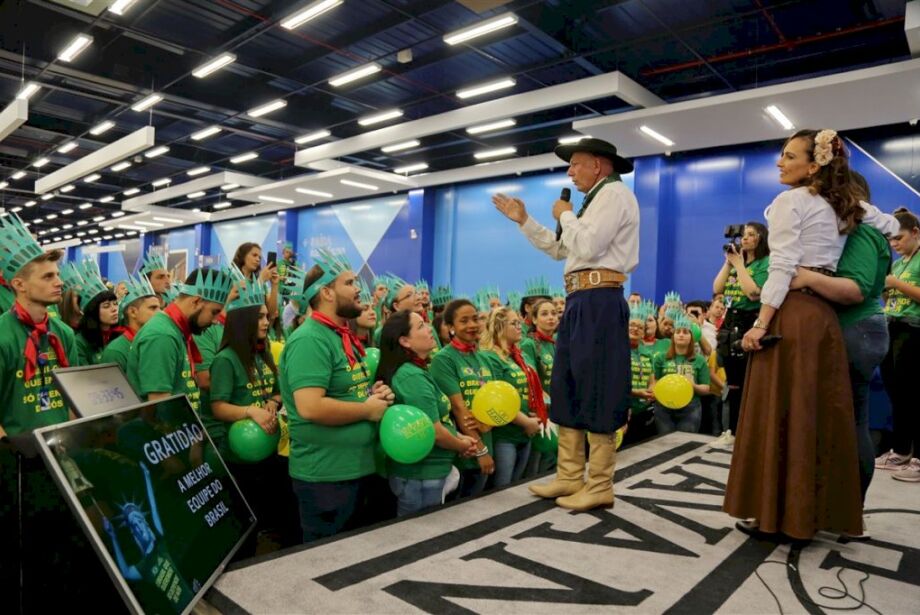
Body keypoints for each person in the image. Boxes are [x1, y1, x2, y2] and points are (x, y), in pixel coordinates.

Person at [724, 128, 899, 541]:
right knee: (816, 420)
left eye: (789, 155)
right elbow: (892, 224)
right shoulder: (843, 206)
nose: (780, 162)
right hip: (822, 319)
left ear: (813, 164)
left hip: (794, 314)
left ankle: (781, 518)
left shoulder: (791, 202)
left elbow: (783, 266)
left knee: (783, 417)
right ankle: (808, 517)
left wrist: (760, 323)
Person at [493, 137, 639, 512]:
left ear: (598, 165)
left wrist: (564, 215)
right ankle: (570, 475)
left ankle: (600, 483)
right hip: (578, 299)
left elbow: (587, 246)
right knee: (569, 384)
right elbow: (562, 249)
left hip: (600, 299)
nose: (570, 172)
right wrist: (525, 221)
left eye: (575, 164)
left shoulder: (614, 195)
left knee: (598, 386)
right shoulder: (592, 202)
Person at [278, 249, 394, 543]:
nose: (358, 289)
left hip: (355, 470)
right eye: (350, 283)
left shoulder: (340, 335)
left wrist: (374, 395)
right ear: (327, 292)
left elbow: (349, 392)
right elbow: (310, 407)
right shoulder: (310, 339)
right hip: (326, 478)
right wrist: (367, 410)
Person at [791, 211, 891, 508]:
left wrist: (806, 276)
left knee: (850, 423)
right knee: (850, 422)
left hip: (856, 329)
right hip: (857, 329)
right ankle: (844, 510)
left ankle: (846, 510)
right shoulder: (860, 234)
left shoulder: (860, 233)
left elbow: (856, 289)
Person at [209, 276, 299, 551]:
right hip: (238, 456)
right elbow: (218, 406)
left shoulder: (262, 352)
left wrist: (272, 401)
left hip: (268, 448)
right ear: (243, 321)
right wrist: (251, 411)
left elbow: (277, 391)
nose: (266, 321)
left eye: (266, 316)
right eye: (259, 317)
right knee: (243, 523)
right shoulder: (225, 359)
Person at [377, 309, 478, 516]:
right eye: (421, 326)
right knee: (418, 532)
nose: (430, 328)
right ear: (405, 341)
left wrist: (460, 437)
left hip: (429, 472)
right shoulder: (411, 377)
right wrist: (461, 446)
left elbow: (438, 420)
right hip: (421, 476)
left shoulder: (418, 371)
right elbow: (434, 431)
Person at [126, 268, 233, 418]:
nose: (216, 321)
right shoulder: (163, 335)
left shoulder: (174, 330)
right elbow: (160, 405)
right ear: (196, 301)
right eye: (214, 312)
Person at [429, 298, 495, 498]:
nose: (472, 325)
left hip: (487, 439)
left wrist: (488, 426)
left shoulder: (483, 357)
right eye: (464, 321)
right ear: (450, 327)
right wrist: (480, 451)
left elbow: (494, 401)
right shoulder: (444, 359)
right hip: (465, 450)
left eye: (475, 319)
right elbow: (458, 408)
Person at [712, 222, 770, 446]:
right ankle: (732, 431)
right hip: (730, 322)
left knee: (750, 383)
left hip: (751, 321)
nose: (744, 238)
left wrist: (739, 265)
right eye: (743, 235)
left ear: (760, 238)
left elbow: (753, 293)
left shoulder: (766, 262)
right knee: (733, 384)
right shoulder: (737, 262)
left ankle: (751, 434)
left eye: (750, 235)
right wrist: (729, 263)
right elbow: (717, 288)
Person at [875, 208, 920, 482]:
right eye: (891, 239)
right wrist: (886, 288)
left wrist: (896, 284)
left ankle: (918, 460)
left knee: (914, 395)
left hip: (914, 330)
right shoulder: (899, 263)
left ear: (915, 233)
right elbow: (890, 296)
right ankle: (901, 451)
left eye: (899, 238)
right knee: (898, 395)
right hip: (891, 327)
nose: (894, 244)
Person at [479, 307, 544, 487]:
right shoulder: (490, 357)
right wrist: (526, 422)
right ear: (499, 327)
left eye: (519, 323)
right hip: (504, 435)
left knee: (517, 487)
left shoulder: (518, 355)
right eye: (514, 323)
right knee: (502, 490)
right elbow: (497, 401)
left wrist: (532, 414)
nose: (519, 327)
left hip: (525, 431)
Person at [652, 314, 710, 434]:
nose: (681, 335)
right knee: (664, 441)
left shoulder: (699, 360)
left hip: (690, 407)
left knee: (685, 441)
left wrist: (694, 385)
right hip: (664, 407)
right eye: (678, 332)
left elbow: (706, 388)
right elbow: (654, 382)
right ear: (673, 336)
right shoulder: (660, 358)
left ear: (691, 338)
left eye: (685, 332)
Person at [101, 274, 160, 374]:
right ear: (133, 312)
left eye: (159, 308)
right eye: (153, 308)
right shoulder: (116, 352)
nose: (160, 313)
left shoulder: (157, 343)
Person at [71, 259, 121, 366]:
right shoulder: (80, 342)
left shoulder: (120, 335)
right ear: (93, 311)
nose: (114, 309)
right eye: (106, 306)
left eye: (115, 303)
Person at [624, 302, 657, 446]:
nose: (635, 329)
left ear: (644, 333)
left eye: (640, 327)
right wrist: (637, 393)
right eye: (631, 325)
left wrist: (651, 389)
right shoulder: (617, 351)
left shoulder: (647, 353)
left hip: (643, 410)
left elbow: (652, 378)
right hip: (623, 409)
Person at [233, 241, 280, 320]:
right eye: (254, 255)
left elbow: (272, 313)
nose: (258, 259)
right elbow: (246, 307)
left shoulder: (261, 281)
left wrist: (274, 285)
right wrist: (260, 280)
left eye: (259, 257)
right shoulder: (233, 278)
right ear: (242, 256)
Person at [351, 279, 378, 347]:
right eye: (365, 309)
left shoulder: (374, 344)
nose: (372, 312)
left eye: (373, 308)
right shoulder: (344, 344)